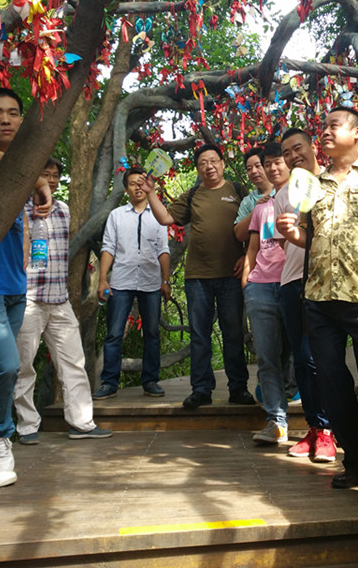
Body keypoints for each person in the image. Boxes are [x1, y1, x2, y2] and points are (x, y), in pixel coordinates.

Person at [277, 107, 358, 490]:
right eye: (324, 126)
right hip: (318, 299)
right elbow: (310, 239)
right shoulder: (313, 185)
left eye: (333, 125)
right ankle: (357, 464)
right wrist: (292, 234)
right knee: (331, 385)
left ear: (357, 131)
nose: (325, 132)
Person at [140, 144, 255, 408]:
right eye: (203, 163)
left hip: (231, 274)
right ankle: (201, 389)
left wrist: (245, 255)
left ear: (222, 164)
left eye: (213, 161)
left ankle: (238, 388)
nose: (209, 166)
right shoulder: (193, 195)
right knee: (199, 335)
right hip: (198, 277)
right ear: (198, 168)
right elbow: (166, 218)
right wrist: (150, 193)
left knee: (234, 333)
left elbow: (253, 224)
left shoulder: (238, 191)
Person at [14, 158, 112, 443]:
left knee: (74, 363)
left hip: (59, 299)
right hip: (29, 299)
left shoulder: (63, 210)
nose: (52, 180)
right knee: (23, 366)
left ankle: (82, 423)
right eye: (45, 174)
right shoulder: (20, 208)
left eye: (56, 175)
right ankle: (27, 427)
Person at [0, 88, 51, 488]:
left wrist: (35, 181)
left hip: (15, 285)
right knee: (8, 365)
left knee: (0, 368)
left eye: (14, 112)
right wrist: (37, 179)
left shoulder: (19, 174)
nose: (6, 119)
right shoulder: (17, 170)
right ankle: (1, 438)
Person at [275, 128, 336, 462]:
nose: (292, 156)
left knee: (317, 357)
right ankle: (314, 427)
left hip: (323, 280)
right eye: (286, 153)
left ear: (313, 147)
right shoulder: (283, 193)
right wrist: (287, 230)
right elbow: (285, 241)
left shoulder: (331, 182)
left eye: (297, 148)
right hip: (291, 280)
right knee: (300, 358)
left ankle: (327, 430)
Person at [92, 165, 170, 400]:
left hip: (151, 281)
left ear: (148, 186)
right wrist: (103, 279)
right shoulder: (116, 215)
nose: (138, 187)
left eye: (141, 183)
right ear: (126, 189)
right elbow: (108, 247)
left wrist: (166, 280)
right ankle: (109, 383)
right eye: (133, 183)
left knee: (152, 332)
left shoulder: (158, 214)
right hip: (121, 281)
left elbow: (163, 249)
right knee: (114, 333)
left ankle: (150, 381)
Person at [241, 143, 291, 444]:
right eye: (267, 163)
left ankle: (319, 423)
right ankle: (277, 421)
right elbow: (252, 249)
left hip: (291, 284)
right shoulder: (261, 208)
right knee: (267, 357)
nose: (272, 168)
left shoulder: (304, 200)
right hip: (260, 286)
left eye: (277, 162)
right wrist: (246, 282)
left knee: (300, 354)